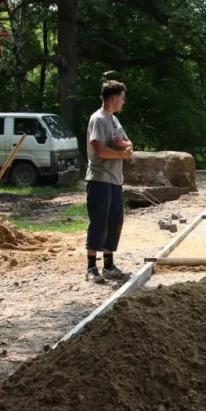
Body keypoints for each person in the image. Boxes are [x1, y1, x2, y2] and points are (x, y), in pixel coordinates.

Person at [84, 80, 133, 284]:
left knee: (115, 222)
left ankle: (109, 265)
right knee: (99, 222)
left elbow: (129, 144)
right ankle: (91, 267)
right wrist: (122, 154)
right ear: (113, 98)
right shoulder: (98, 119)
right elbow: (100, 150)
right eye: (121, 98)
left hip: (115, 180)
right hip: (100, 179)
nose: (123, 101)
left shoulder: (114, 120)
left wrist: (125, 146)